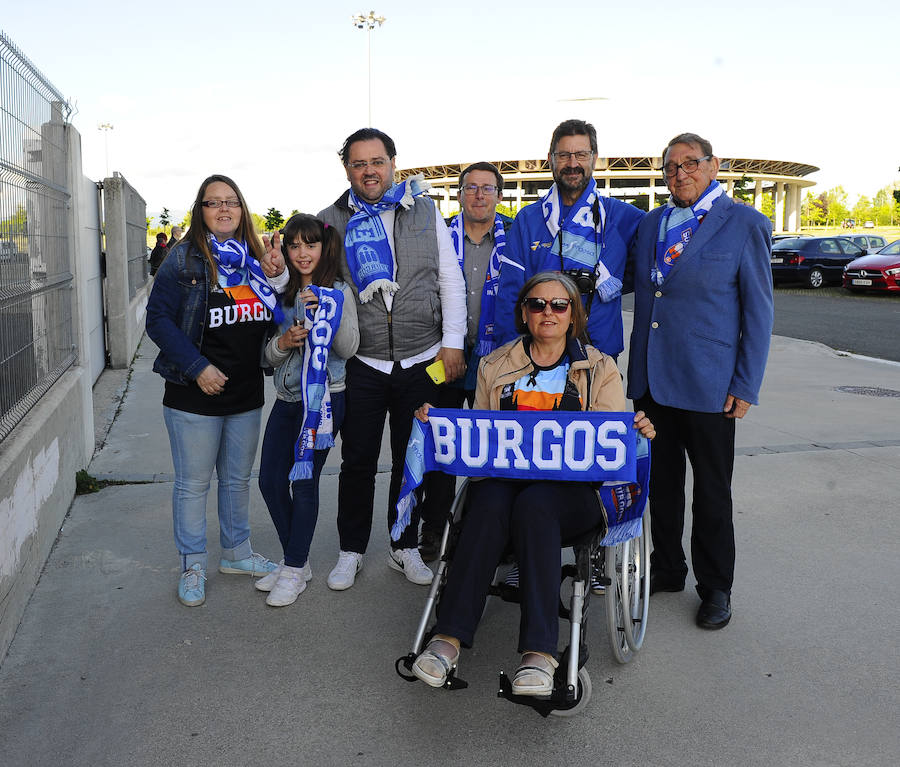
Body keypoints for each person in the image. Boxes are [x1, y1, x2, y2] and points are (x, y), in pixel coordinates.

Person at [410, 272, 655, 694]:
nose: (548, 313)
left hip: (574, 494)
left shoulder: (600, 368)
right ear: (523, 312)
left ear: (573, 315)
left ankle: (539, 653)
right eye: (538, 304)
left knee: (536, 504)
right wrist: (438, 428)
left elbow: (610, 446)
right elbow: (480, 443)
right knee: (486, 504)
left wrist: (636, 432)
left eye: (559, 305)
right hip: (504, 484)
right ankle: (446, 639)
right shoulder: (494, 365)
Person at [627, 132, 774, 630]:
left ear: (714, 167)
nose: (680, 174)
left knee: (712, 491)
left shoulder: (744, 224)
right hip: (652, 380)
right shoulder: (652, 224)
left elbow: (758, 311)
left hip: (710, 384)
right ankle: (668, 568)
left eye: (690, 164)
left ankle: (716, 588)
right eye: (670, 167)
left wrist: (746, 383)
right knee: (660, 486)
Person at [318, 127, 466, 590]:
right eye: (359, 163)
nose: (369, 171)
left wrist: (453, 341)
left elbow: (450, 280)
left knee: (411, 459)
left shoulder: (425, 211)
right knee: (358, 460)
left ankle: (403, 546)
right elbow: (312, 278)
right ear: (347, 169)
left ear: (393, 163)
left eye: (377, 161)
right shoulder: (330, 219)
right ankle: (351, 549)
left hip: (423, 359)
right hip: (364, 362)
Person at [146, 174, 284, 607]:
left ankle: (237, 554)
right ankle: (192, 563)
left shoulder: (254, 261)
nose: (223, 209)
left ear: (242, 210)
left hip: (244, 392)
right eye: (213, 203)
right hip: (195, 392)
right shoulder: (184, 258)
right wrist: (197, 366)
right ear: (200, 210)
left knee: (237, 480)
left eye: (231, 202)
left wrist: (278, 279)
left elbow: (272, 318)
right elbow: (158, 320)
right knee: (192, 484)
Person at [256, 214, 359, 607]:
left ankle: (294, 566)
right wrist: (283, 342)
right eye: (294, 245)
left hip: (324, 401)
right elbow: (267, 356)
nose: (302, 253)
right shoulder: (279, 294)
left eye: (310, 245)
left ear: (323, 247)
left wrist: (324, 315)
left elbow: (349, 349)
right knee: (268, 480)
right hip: (287, 401)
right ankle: (295, 561)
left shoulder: (338, 291)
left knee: (304, 482)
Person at [417, 161, 512, 561]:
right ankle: (434, 529)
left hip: (500, 358)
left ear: (499, 196)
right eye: (471, 187)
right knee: (442, 445)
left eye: (487, 188)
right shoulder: (439, 235)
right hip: (445, 355)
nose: (478, 195)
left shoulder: (515, 237)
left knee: (498, 448)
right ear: (458, 193)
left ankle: (493, 532)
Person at [494, 119, 645, 359]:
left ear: (594, 158)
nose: (573, 164)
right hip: (538, 354)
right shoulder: (529, 218)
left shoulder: (621, 216)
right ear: (550, 158)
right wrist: (508, 355)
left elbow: (651, 265)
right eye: (563, 155)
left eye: (581, 154)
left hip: (599, 353)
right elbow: (510, 293)